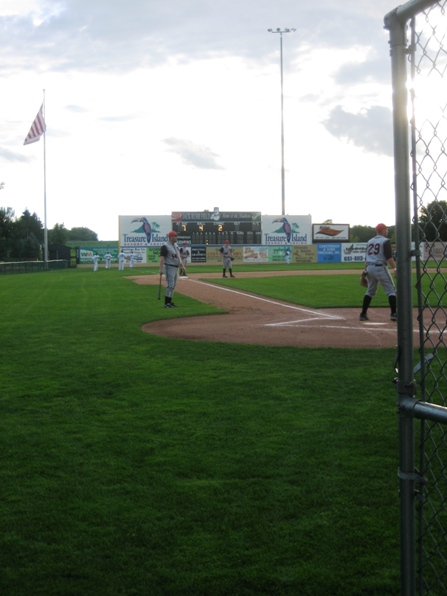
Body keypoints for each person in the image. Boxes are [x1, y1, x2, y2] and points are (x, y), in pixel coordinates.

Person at [359, 223, 397, 322]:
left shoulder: (370, 241)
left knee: (370, 291)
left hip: (370, 268)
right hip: (380, 267)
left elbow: (366, 258)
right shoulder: (385, 241)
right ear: (382, 231)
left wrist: (365, 270)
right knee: (391, 290)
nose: (387, 231)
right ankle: (394, 314)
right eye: (386, 229)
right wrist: (395, 268)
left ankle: (363, 314)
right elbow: (389, 257)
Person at [159, 231, 185, 308]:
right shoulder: (165, 246)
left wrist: (182, 265)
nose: (176, 237)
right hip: (169, 266)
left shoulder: (176, 245)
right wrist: (160, 270)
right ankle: (166, 303)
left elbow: (178, 257)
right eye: (175, 236)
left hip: (175, 267)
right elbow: (162, 258)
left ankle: (170, 302)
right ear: (171, 237)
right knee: (170, 285)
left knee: (173, 286)